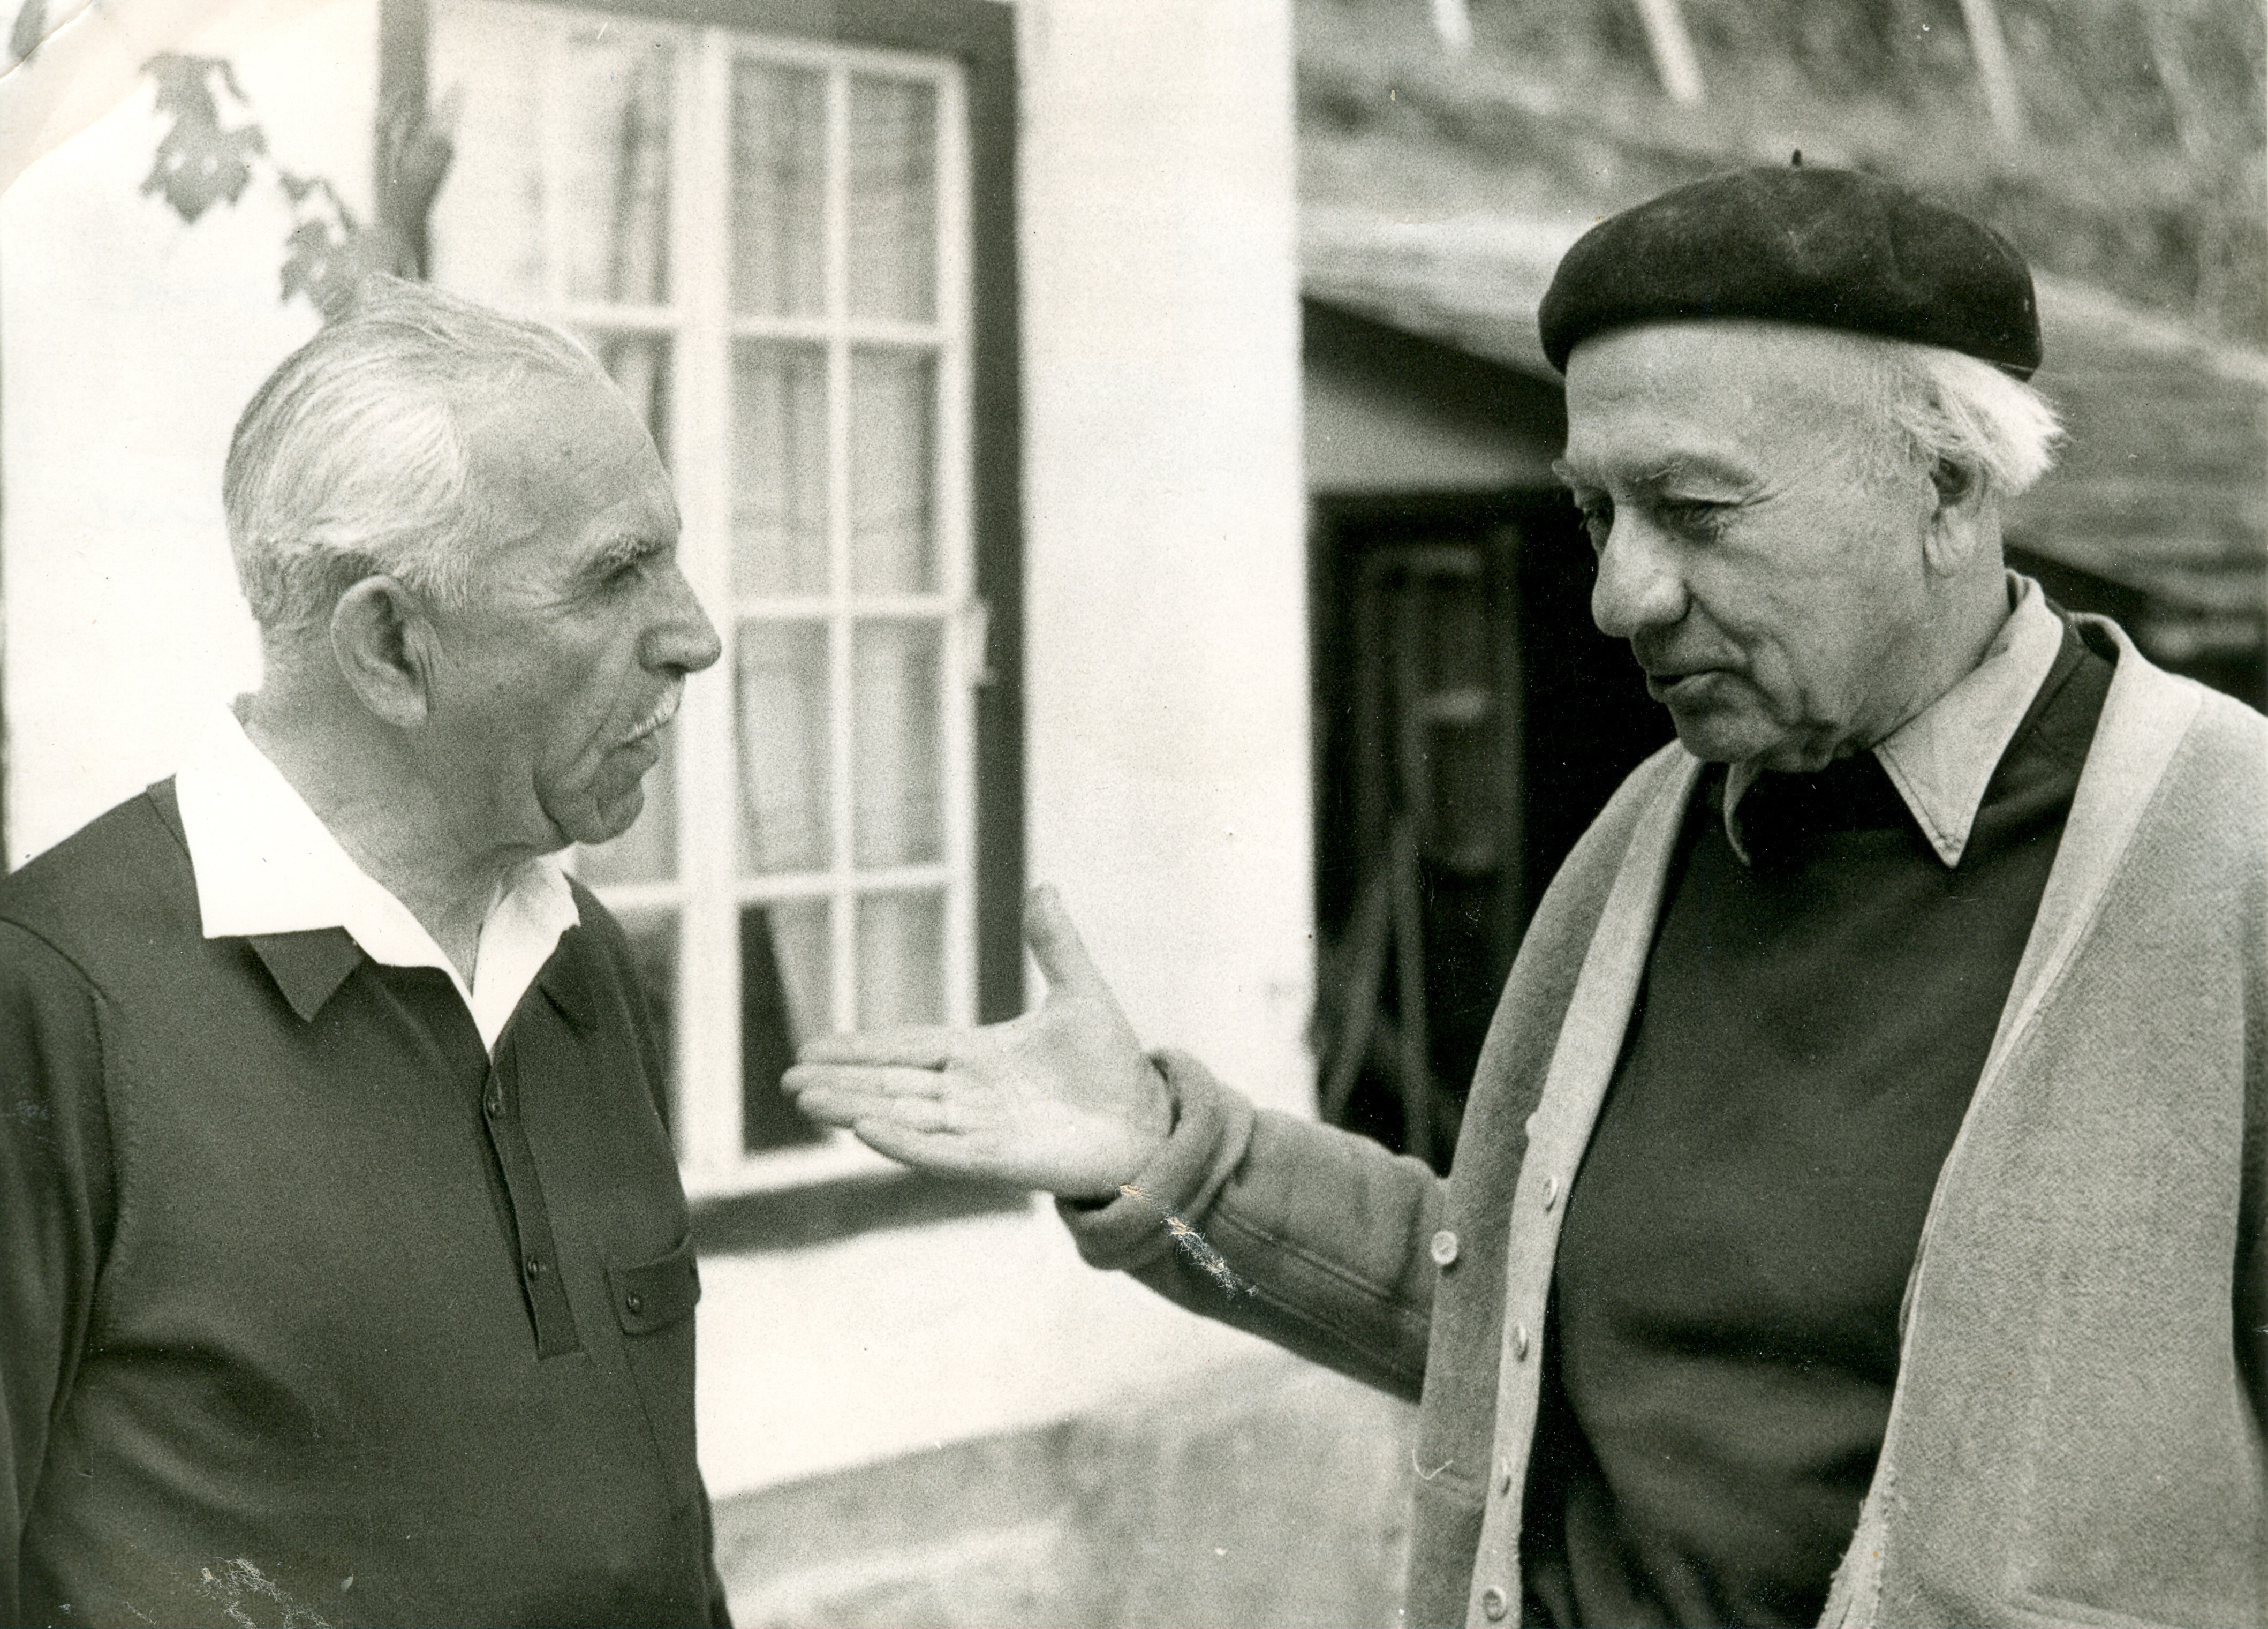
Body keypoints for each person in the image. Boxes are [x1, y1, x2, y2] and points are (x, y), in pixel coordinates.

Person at [788, 165, 2267, 1629]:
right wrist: (1166, 1153)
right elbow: (1519, 1334)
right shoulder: (1651, 834)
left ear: (1946, 487)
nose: (1622, 597)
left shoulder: (2226, 854)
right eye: (1595, 514)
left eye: (1693, 508)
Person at [1, 278, 729, 1627]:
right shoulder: (47, 1001)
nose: (695, 635)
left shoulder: (578, 961)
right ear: (391, 646)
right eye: (615, 576)